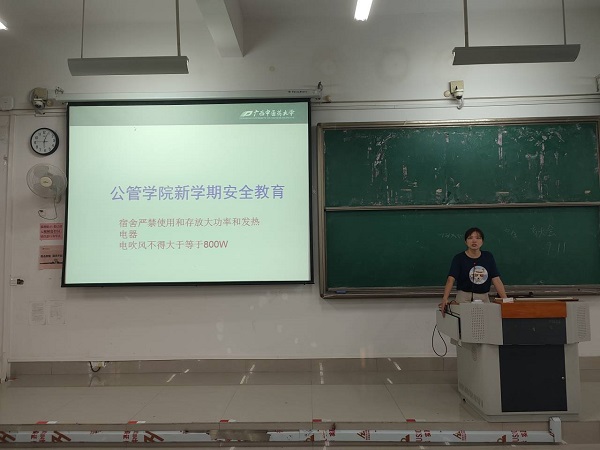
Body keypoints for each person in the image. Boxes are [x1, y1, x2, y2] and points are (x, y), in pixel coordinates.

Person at [440, 227, 507, 316]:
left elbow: (496, 279)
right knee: (464, 323)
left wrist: (505, 300)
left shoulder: (488, 257)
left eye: (478, 238)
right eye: (470, 238)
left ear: (482, 241)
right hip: (463, 298)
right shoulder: (459, 258)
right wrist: (445, 298)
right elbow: (450, 279)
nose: (474, 241)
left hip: (483, 298)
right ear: (465, 241)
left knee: (486, 323)